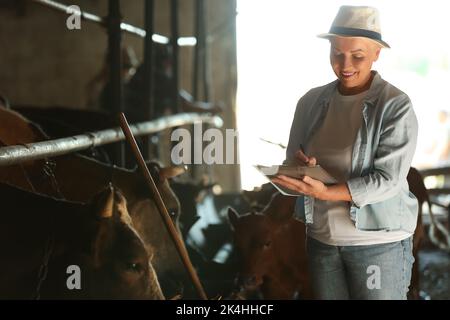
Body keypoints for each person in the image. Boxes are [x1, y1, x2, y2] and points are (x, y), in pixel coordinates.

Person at [271, 6, 419, 300]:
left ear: (377, 54)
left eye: (358, 56)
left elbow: (387, 180)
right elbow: (291, 161)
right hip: (322, 241)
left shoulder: (395, 106)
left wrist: (325, 193)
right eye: (336, 53)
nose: (344, 63)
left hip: (379, 244)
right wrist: (300, 169)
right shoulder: (310, 102)